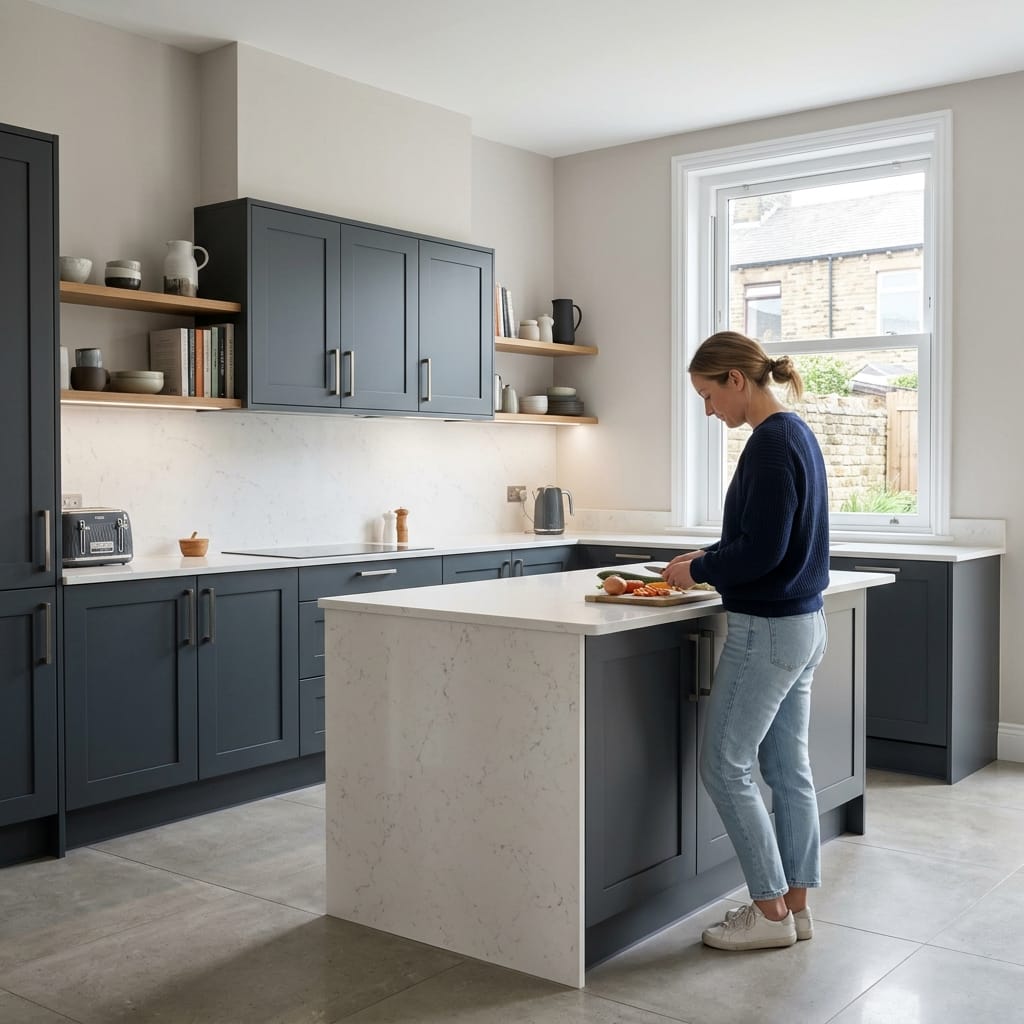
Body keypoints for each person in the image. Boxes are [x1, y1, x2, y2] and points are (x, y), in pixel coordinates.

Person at [663, 330, 830, 951]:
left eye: (709, 396)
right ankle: (795, 907)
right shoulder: (797, 433)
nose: (710, 411)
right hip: (803, 626)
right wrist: (708, 556)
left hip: (767, 630)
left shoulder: (767, 444)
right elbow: (774, 540)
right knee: (788, 770)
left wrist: (700, 570)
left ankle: (767, 915)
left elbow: (764, 551)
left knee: (723, 766)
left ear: (737, 380)